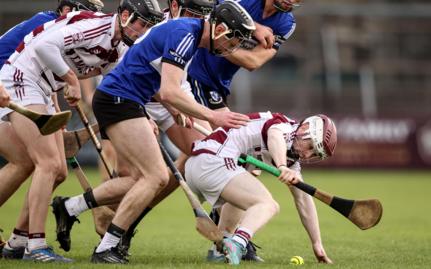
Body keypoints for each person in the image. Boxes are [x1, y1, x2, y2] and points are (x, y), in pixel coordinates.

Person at [51, 1, 255, 264]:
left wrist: (173, 107)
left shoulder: (188, 35)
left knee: (137, 179)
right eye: (233, 39)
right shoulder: (186, 35)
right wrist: (213, 115)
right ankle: (107, 247)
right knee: (156, 176)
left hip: (125, 99)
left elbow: (156, 76)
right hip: (120, 99)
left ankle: (69, 207)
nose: (232, 48)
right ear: (220, 30)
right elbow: (169, 89)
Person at [0, 0, 163, 262]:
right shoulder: (96, 27)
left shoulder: (120, 47)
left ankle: (17, 241)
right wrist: (71, 79)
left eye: (148, 27)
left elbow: (115, 86)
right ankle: (36, 246)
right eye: (140, 23)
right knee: (48, 163)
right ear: (124, 15)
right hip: (22, 77)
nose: (142, 31)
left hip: (43, 87)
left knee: (59, 172)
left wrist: (143, 116)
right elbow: (43, 46)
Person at [185, 0, 302, 261]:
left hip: (218, 87)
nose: (292, 2)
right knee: (236, 162)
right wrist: (252, 28)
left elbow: (252, 61)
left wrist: (219, 41)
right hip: (194, 77)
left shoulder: (286, 23)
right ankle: (232, 236)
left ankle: (230, 234)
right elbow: (208, 14)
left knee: (202, 160)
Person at [0, 0, 104, 260]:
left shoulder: (62, 30)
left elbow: (43, 78)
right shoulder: (44, 24)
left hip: (21, 90)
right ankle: (29, 244)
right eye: (87, 12)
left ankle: (17, 241)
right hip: (6, 88)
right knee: (29, 162)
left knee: (51, 169)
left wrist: (57, 117)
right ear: (68, 10)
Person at [185, 112, 336, 265]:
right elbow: (274, 135)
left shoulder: (292, 160)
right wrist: (281, 165)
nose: (307, 154)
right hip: (212, 161)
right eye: (310, 146)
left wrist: (317, 243)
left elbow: (303, 199)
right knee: (267, 205)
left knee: (244, 197)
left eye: (313, 154)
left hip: (199, 166)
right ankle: (237, 244)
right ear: (304, 128)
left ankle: (220, 248)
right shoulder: (284, 126)